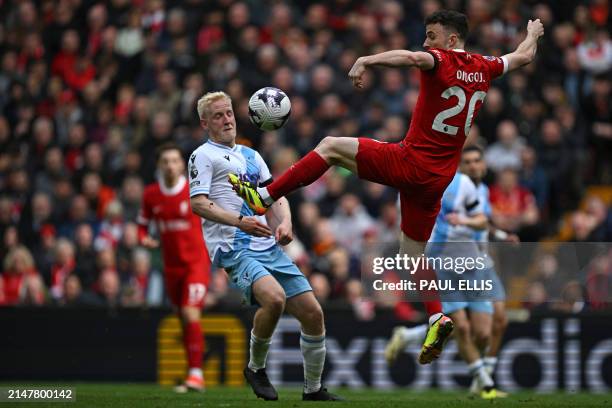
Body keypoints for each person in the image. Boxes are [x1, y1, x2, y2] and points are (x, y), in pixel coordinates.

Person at [229, 10, 545, 364]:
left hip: (411, 163)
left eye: (432, 35)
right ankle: (437, 316)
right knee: (412, 256)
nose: (426, 42)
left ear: (451, 40)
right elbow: (523, 56)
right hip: (438, 179)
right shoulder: (485, 66)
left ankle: (265, 196)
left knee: (331, 146)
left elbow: (410, 57)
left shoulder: (439, 60)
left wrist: (366, 59)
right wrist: (532, 33)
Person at [188, 91, 341, 401]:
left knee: (313, 314)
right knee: (274, 299)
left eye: (229, 113)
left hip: (266, 246)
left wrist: (285, 222)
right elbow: (199, 204)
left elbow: (275, 195)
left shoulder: (251, 156)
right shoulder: (202, 155)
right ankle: (255, 368)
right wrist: (238, 221)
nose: (227, 119)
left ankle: (313, 389)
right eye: (218, 115)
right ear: (205, 123)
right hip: (234, 247)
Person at [385, 146, 512, 399]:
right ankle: (485, 383)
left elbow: (481, 223)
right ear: (459, 165)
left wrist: (501, 235)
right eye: (469, 162)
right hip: (445, 264)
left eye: (478, 161)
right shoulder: (437, 187)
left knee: (489, 328)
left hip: (479, 262)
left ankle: (410, 336)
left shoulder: (481, 190)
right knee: (461, 328)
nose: (474, 166)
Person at [137, 143, 211, 392]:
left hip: (196, 263)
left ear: (183, 165)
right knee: (182, 317)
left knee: (190, 313)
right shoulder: (150, 195)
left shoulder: (195, 191)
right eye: (165, 161)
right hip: (171, 267)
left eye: (175, 160)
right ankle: (193, 368)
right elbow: (142, 225)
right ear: (159, 165)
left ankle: (196, 375)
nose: (170, 165)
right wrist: (143, 238)